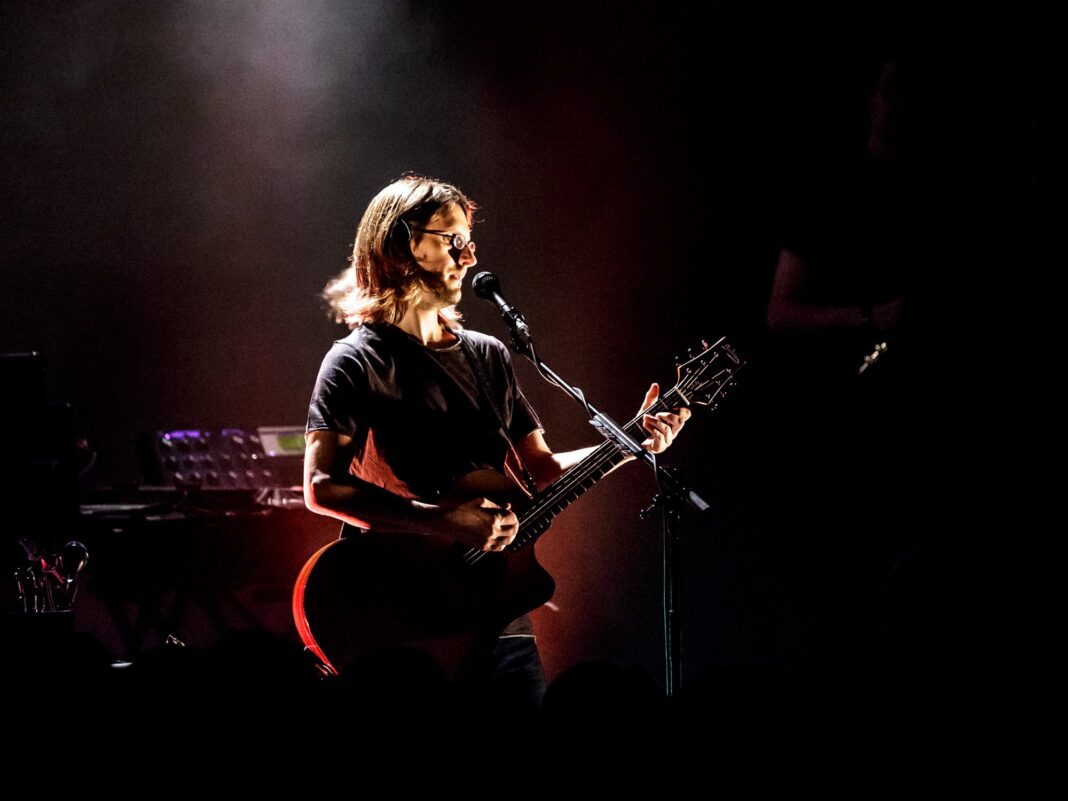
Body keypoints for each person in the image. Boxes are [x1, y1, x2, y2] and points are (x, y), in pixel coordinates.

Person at [300, 174, 690, 727]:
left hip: (495, 617)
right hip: (406, 614)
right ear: (402, 244)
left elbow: (545, 469)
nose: (469, 254)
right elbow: (321, 487)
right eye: (452, 239)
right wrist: (444, 521)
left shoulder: (487, 356)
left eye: (469, 239)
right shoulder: (357, 361)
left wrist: (631, 442)